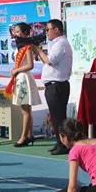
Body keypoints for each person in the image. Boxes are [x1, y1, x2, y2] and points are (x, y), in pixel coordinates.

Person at [35, 19, 72, 155]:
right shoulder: (57, 43)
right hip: (54, 85)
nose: (47, 33)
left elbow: (50, 61)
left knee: (58, 117)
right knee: (56, 117)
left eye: (48, 30)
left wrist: (38, 50)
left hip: (57, 85)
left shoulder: (60, 43)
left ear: (56, 30)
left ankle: (63, 144)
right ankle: (60, 142)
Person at [6, 22, 41, 147]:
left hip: (24, 78)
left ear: (25, 33)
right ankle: (30, 134)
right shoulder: (20, 47)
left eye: (17, 31)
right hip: (21, 78)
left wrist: (16, 70)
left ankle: (23, 137)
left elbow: (30, 65)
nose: (15, 34)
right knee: (26, 109)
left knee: (25, 110)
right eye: (14, 31)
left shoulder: (27, 47)